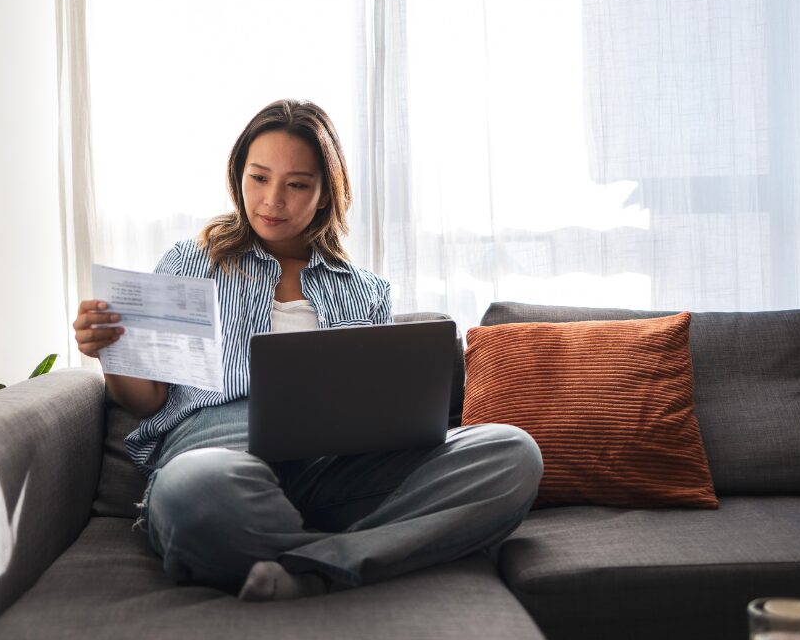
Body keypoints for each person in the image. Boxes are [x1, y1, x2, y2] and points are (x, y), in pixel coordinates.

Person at [72, 99, 542, 602]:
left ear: (323, 194)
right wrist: (111, 353)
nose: (272, 200)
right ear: (238, 178)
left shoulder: (365, 289)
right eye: (258, 178)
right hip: (221, 457)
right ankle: (362, 553)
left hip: (337, 469)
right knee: (194, 490)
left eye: (297, 185)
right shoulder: (193, 261)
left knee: (513, 453)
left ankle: (315, 568)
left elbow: (381, 407)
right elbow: (146, 400)